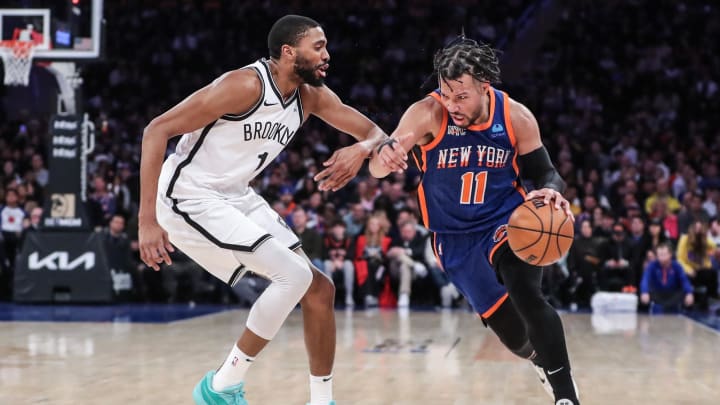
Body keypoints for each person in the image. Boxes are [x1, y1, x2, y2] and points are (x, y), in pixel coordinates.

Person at [139, 15, 387, 405]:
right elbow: (156, 130)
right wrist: (146, 221)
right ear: (289, 52)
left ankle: (322, 401)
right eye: (318, 46)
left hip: (236, 195)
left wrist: (360, 149)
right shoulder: (243, 86)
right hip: (188, 195)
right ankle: (221, 386)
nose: (327, 55)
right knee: (291, 275)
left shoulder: (310, 96)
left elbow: (375, 134)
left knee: (320, 289)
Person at [369, 36, 580, 404]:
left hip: (505, 221)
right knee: (515, 338)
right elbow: (382, 158)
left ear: (485, 87)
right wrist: (382, 161)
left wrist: (550, 190)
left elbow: (546, 174)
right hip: (453, 237)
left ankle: (566, 396)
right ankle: (540, 361)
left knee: (527, 293)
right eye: (446, 94)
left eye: (461, 96)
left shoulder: (515, 117)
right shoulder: (427, 113)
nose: (452, 105)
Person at [640, 243, 694, 312]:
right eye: (659, 255)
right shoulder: (652, 265)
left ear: (670, 254)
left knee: (684, 294)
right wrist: (644, 291)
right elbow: (645, 279)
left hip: (672, 295)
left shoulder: (676, 266)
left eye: (664, 255)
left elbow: (684, 280)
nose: (662, 258)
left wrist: (689, 293)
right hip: (658, 295)